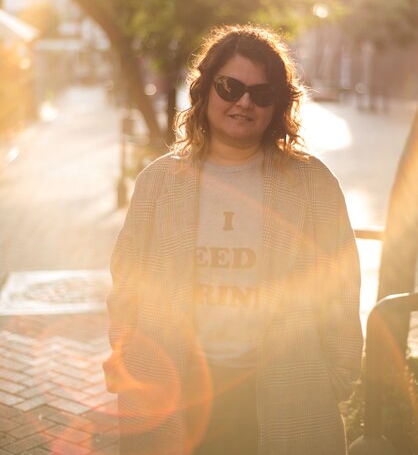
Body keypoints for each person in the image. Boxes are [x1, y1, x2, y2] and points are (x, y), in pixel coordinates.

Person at [104, 24, 363, 455]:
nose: (244, 102)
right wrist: (131, 360)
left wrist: (335, 377)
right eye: (231, 87)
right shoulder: (158, 182)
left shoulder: (314, 185)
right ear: (206, 91)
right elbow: (127, 283)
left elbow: (342, 287)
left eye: (261, 93)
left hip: (287, 393)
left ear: (277, 103)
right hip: (177, 393)